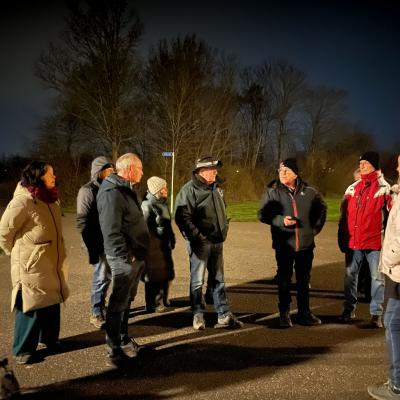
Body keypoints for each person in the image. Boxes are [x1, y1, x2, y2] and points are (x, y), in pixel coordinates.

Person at [0, 161, 69, 364]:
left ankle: (49, 340)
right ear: (38, 177)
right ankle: (22, 349)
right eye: (50, 175)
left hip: (52, 261)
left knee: (51, 301)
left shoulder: (52, 200)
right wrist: (14, 252)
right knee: (30, 303)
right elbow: (4, 232)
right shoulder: (23, 201)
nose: (54, 178)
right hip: (31, 263)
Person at [175, 156, 243, 330]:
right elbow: (182, 217)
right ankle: (198, 316)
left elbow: (222, 209)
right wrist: (198, 236)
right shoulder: (188, 190)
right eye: (212, 169)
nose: (216, 172)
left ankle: (224, 315)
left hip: (217, 241)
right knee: (197, 280)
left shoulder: (216, 187)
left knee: (219, 279)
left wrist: (224, 227)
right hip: (200, 243)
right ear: (201, 171)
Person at [258, 157, 327, 328]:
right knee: (284, 280)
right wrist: (281, 221)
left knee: (304, 280)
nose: (282, 174)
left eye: (286, 171)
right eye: (280, 171)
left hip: (305, 245)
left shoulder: (310, 191)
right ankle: (284, 313)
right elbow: (262, 215)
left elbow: (322, 209)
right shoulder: (272, 191)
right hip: (284, 245)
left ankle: (304, 313)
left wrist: (314, 230)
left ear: (295, 173)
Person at [97, 153, 149, 367]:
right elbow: (111, 230)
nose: (143, 172)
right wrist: (124, 256)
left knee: (126, 300)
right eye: (140, 168)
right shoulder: (112, 192)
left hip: (133, 256)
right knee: (117, 304)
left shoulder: (126, 189)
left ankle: (123, 339)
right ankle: (113, 350)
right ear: (129, 169)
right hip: (123, 257)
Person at [338, 151, 391, 328]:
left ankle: (376, 314)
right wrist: (341, 236)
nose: (361, 166)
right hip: (354, 242)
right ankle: (348, 309)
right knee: (350, 276)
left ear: (374, 166)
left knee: (377, 278)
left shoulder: (385, 188)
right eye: (360, 163)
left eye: (365, 163)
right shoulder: (352, 188)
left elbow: (393, 217)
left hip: (375, 242)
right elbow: (343, 216)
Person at [367, 154, 400, 399]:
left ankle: (397, 384)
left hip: (398, 271)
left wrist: (388, 259)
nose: (397, 167)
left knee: (392, 324)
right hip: (394, 270)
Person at [76, 156, 114, 329]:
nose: (112, 172)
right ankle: (96, 312)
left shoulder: (111, 189)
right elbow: (82, 221)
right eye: (108, 169)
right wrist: (90, 246)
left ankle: (102, 305)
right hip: (95, 242)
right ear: (99, 171)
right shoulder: (87, 191)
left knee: (107, 276)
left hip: (110, 241)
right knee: (100, 276)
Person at [141, 176, 175, 312]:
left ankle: (163, 300)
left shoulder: (163, 204)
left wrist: (171, 239)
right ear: (157, 190)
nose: (166, 189)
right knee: (153, 275)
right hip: (153, 247)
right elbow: (144, 228)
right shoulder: (147, 205)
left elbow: (167, 225)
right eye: (164, 187)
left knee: (165, 273)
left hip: (164, 246)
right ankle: (153, 304)